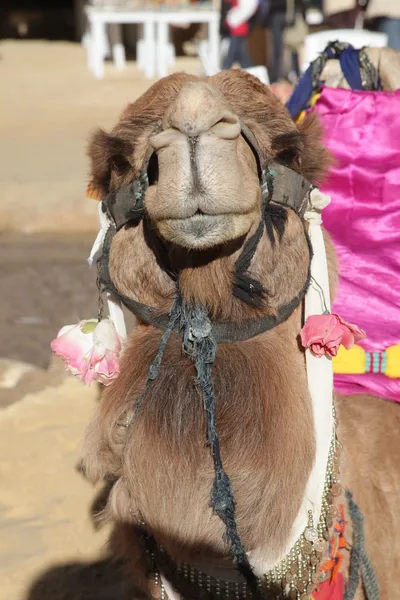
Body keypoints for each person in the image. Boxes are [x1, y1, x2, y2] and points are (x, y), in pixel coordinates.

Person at [221, 0, 259, 70]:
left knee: (231, 56)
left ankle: (223, 73)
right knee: (243, 57)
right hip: (238, 27)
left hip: (238, 27)